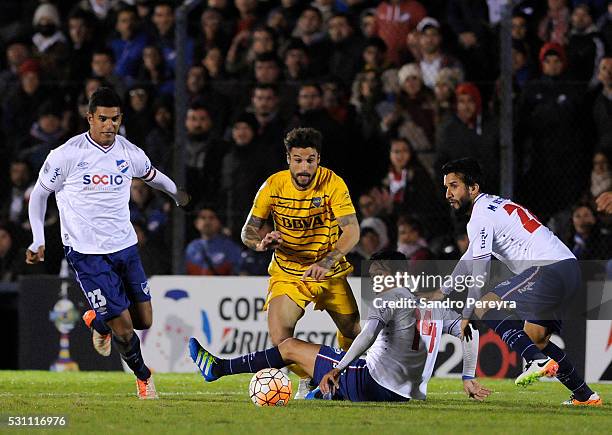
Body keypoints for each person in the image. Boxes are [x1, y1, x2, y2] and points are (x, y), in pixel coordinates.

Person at [25, 87, 190, 399]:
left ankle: (98, 321)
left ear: (120, 119)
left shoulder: (129, 153)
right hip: (86, 254)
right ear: (90, 118)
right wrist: (38, 239)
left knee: (144, 320)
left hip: (125, 248)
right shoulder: (66, 155)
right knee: (125, 330)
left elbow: (152, 175)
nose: (109, 125)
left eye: (114, 119)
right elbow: (39, 194)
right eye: (102, 118)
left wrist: (176, 194)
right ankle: (143, 378)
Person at [188, 251, 490, 403]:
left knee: (290, 347)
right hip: (409, 394)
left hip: (371, 383)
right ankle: (322, 391)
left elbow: (368, 335)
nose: (373, 281)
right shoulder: (433, 305)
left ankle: (218, 368)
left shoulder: (389, 297)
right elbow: (471, 331)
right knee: (333, 355)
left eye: (375, 274)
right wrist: (467, 376)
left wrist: (338, 368)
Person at [430, 158, 602, 406]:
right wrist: (444, 291)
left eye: (454, 186)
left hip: (547, 268)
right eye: (446, 187)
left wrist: (468, 313)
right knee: (536, 338)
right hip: (568, 267)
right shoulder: (493, 206)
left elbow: (480, 272)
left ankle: (536, 361)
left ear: (473, 188)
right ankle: (585, 395)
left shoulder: (479, 216)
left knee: (484, 305)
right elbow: (469, 258)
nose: (448, 194)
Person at [240, 127, 361, 399]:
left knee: (353, 333)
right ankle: (308, 378)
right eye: (298, 160)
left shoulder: (333, 183)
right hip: (288, 273)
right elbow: (248, 230)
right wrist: (260, 244)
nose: (304, 167)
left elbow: (352, 231)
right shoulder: (273, 186)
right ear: (288, 159)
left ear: (319, 159)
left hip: (329, 273)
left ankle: (344, 374)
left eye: (310, 160)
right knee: (280, 340)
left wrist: (327, 262)